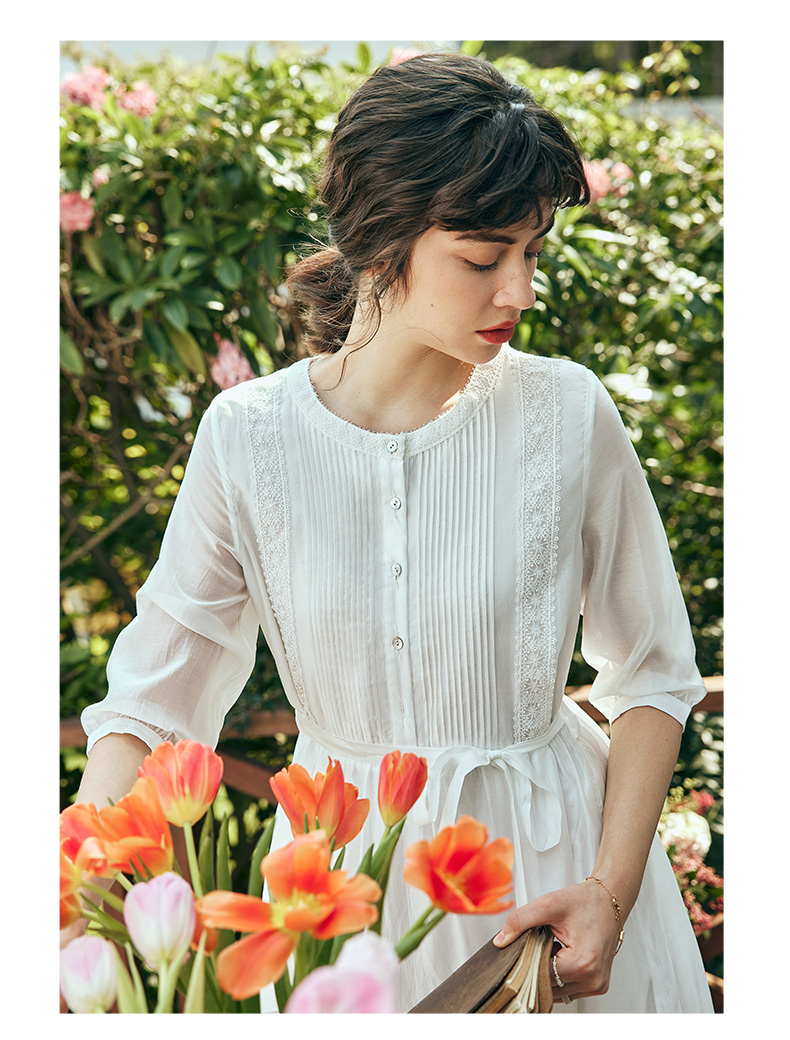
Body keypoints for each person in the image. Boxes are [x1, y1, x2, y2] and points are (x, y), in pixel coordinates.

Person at [69, 52, 714, 1013]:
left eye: (533, 253)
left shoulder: (568, 414)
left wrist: (610, 895)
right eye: (484, 258)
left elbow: (654, 675)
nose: (520, 292)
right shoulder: (248, 437)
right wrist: (74, 895)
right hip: (339, 906)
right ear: (380, 241)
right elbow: (153, 707)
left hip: (554, 890)